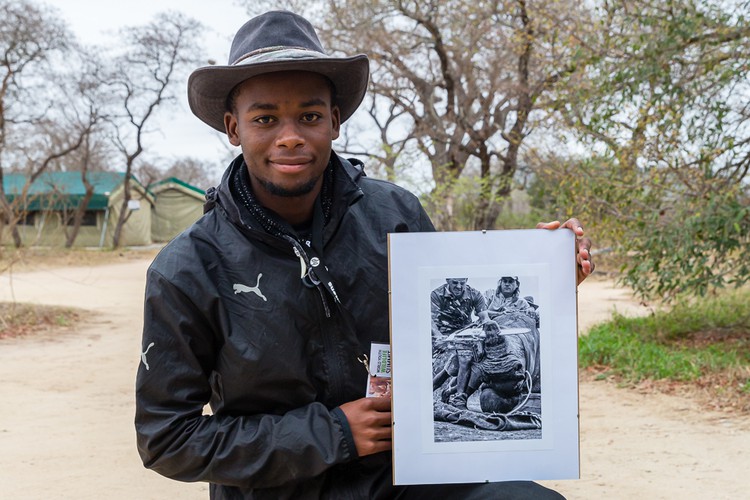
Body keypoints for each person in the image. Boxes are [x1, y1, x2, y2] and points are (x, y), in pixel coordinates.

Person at [134, 10, 593, 499]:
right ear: (233, 128)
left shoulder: (394, 215)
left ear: (334, 121)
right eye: (265, 118)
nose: (289, 135)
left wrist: (544, 276)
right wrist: (331, 434)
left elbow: (448, 329)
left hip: (402, 476)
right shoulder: (188, 268)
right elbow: (166, 439)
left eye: (309, 116)